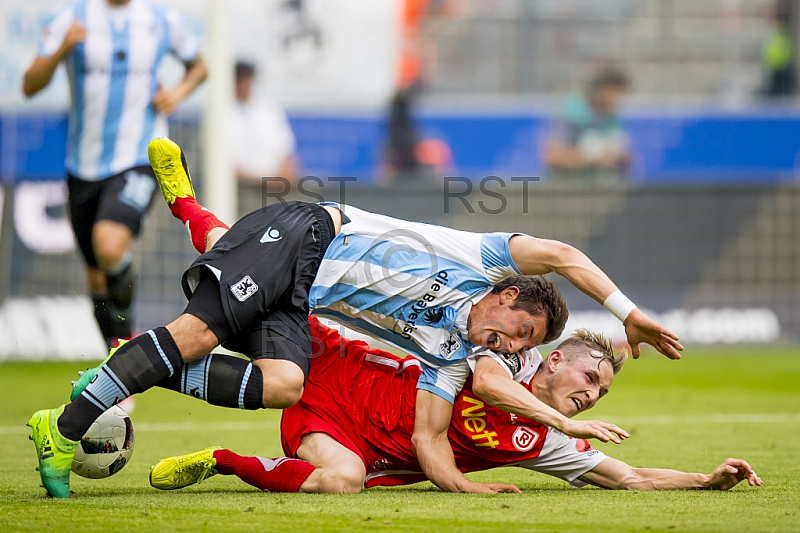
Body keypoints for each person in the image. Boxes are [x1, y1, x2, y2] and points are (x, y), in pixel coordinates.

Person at [28, 137, 682, 498]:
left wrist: (462, 487)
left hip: (301, 295)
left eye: (526, 346)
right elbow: (564, 254)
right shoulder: (487, 257)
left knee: (280, 377)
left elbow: (434, 433)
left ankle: (174, 238)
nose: (513, 346)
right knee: (197, 330)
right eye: (522, 332)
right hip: (311, 228)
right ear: (512, 297)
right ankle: (66, 427)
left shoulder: (451, 346)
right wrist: (630, 314)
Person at [149, 319, 761, 493]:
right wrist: (566, 419)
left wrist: (706, 481)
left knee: (342, 482)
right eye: (591, 375)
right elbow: (492, 388)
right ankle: (185, 206)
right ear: (553, 359)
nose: (593, 391)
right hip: (340, 361)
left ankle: (222, 460)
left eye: (602, 391)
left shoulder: (546, 445)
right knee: (236, 300)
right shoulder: (509, 357)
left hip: (343, 435)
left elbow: (629, 477)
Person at [22, 0, 207, 349]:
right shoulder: (72, 18)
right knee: (96, 277)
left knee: (108, 244)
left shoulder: (159, 20)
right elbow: (30, 85)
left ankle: (130, 350)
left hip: (138, 157)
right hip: (83, 167)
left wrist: (177, 93)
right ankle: (115, 355)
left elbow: (200, 66)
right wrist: (63, 48)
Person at [542, 68, 630, 183]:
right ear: (600, 90)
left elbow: (626, 155)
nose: (616, 99)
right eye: (612, 93)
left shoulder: (611, 119)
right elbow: (552, 155)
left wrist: (620, 159)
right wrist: (593, 159)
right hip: (569, 191)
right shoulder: (574, 112)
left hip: (598, 193)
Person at [232, 61, 298, 187]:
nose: (245, 84)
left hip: (275, 187)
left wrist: (282, 180)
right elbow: (227, 166)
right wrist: (264, 182)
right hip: (244, 188)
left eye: (248, 78)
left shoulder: (269, 109)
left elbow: (287, 154)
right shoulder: (221, 113)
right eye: (241, 78)